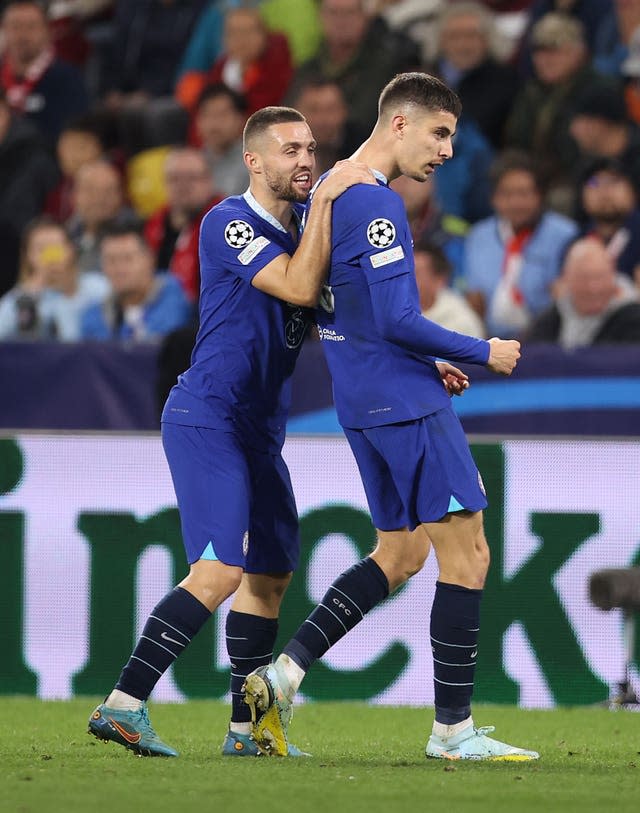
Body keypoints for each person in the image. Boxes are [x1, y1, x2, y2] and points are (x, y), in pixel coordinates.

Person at [242, 72, 539, 762]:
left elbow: (342, 306)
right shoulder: (374, 204)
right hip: (405, 406)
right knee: (469, 555)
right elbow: (402, 316)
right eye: (439, 133)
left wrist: (422, 359)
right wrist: (480, 349)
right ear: (399, 123)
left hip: (363, 399)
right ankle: (452, 731)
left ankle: (283, 675)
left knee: (400, 552)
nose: (446, 151)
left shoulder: (328, 190)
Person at [86, 106, 377, 757]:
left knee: (271, 574)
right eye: (290, 149)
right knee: (219, 570)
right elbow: (301, 287)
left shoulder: (307, 225)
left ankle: (245, 733)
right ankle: (124, 703)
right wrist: (333, 198)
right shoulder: (227, 221)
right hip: (207, 416)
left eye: (311, 148)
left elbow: (359, 302)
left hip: (259, 430)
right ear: (253, 160)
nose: (306, 160)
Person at [464, 150, 578, 338]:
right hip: (490, 341)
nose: (516, 203)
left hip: (547, 342)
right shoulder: (478, 237)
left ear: (540, 196)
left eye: (524, 193)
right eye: (506, 194)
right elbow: (474, 298)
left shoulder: (565, 235)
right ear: (493, 198)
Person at [0, 216, 109, 341]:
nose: (50, 257)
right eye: (41, 249)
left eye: (55, 248)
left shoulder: (99, 287)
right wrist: (30, 296)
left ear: (70, 250)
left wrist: (70, 292)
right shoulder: (16, 300)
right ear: (29, 256)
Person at [80, 220, 192, 341]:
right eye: (111, 260)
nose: (119, 269)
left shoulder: (176, 300)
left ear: (150, 259)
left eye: (127, 259)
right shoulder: (93, 316)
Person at [0, 0, 89, 144]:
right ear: (4, 30)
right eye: (15, 26)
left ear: (47, 31)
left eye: (31, 27)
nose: (22, 35)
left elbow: (74, 136)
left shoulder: (67, 79)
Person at [525, 237, 640, 346]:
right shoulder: (552, 317)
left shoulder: (633, 319)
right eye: (584, 278)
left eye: (599, 277)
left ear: (613, 276)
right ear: (566, 279)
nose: (593, 288)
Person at [144, 147, 221, 302]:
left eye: (192, 178)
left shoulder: (224, 223)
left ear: (209, 181)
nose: (183, 186)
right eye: (175, 178)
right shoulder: (153, 224)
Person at [414, 240, 486, 337]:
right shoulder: (392, 309)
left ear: (439, 280)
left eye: (416, 273)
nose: (406, 280)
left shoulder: (461, 323)